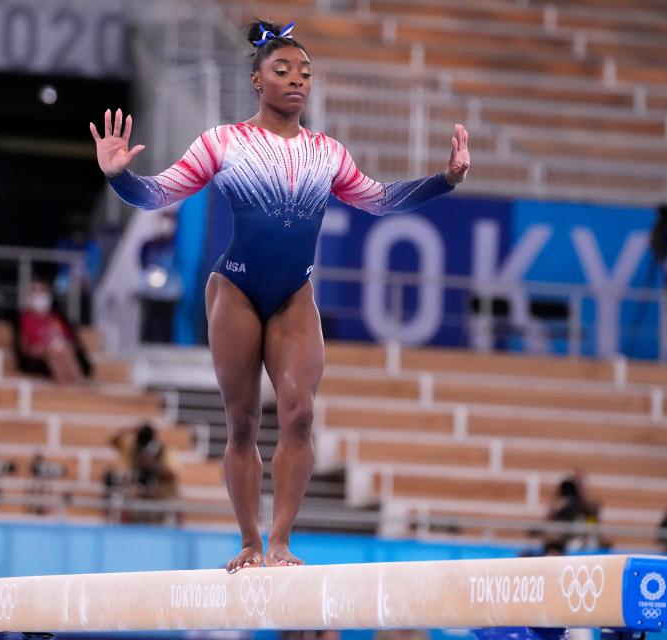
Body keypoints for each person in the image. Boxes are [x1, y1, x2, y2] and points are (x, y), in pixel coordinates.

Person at [89, 18, 469, 571]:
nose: (297, 80)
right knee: (242, 422)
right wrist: (121, 178)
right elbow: (157, 194)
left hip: (293, 294)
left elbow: (381, 200)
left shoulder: (328, 154)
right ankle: (248, 541)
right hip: (236, 289)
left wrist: (445, 180)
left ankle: (282, 541)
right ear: (256, 80)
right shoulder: (223, 143)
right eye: (283, 70)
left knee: (299, 415)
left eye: (306, 73)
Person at [13, 279, 92, 384]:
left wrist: (60, 345)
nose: (40, 295)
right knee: (56, 350)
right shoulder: (25, 318)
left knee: (61, 349)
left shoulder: (56, 318)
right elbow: (24, 346)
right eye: (35, 291)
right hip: (38, 350)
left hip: (60, 350)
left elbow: (70, 340)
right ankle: (74, 382)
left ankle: (72, 382)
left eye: (42, 291)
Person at [138, 211, 183, 343]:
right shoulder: (148, 245)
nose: (166, 226)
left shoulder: (176, 245)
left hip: (168, 293)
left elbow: (178, 265)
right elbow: (142, 263)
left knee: (166, 322)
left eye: (169, 222)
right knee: (149, 320)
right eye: (163, 222)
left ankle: (165, 344)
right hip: (150, 291)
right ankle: (145, 343)